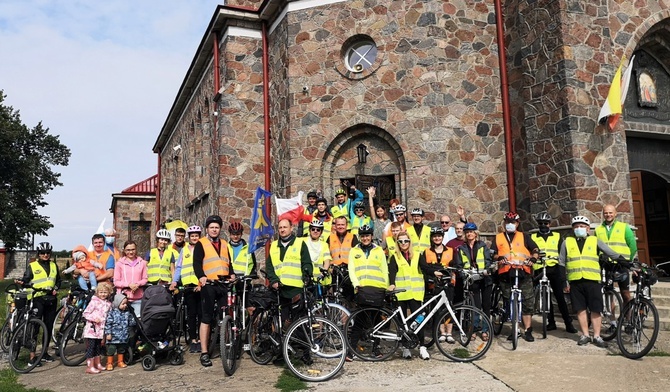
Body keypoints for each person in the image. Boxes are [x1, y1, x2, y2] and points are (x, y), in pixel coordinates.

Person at [559, 215, 627, 348]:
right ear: (573, 229)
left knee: (596, 309)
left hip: (593, 280)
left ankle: (597, 336)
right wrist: (563, 282)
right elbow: (561, 262)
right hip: (575, 280)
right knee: (580, 309)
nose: (579, 228)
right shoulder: (567, 242)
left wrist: (626, 262)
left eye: (582, 226)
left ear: (588, 229)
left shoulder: (595, 240)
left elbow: (610, 253)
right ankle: (585, 335)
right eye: (576, 226)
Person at [265, 218, 313, 364]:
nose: (282, 230)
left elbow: (306, 263)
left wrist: (307, 276)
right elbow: (270, 267)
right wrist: (273, 281)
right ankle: (282, 354)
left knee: (300, 322)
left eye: (285, 227)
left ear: (291, 228)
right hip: (280, 290)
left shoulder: (300, 243)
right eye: (280, 227)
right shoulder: (273, 246)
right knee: (282, 324)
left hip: (296, 289)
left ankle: (305, 353)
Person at [490, 211, 539, 342]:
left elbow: (535, 250)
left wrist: (533, 259)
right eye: (507, 222)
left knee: (528, 301)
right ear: (504, 223)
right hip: (506, 273)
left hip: (523, 271)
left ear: (517, 223)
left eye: (513, 222)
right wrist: (498, 258)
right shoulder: (498, 237)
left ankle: (528, 329)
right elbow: (492, 253)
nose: (510, 224)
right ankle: (515, 329)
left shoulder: (524, 236)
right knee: (510, 301)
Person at [193, 215, 233, 366]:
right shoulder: (201, 243)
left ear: (220, 229)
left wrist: (232, 274)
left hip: (223, 285)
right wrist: (201, 276)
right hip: (208, 285)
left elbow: (228, 263)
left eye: (217, 227)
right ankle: (204, 352)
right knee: (206, 317)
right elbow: (197, 264)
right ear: (207, 229)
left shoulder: (224, 244)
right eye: (212, 227)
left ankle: (226, 346)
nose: (214, 229)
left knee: (225, 315)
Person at [347, 224, 389, 361]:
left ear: (372, 236)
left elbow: (384, 269)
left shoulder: (378, 251)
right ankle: (351, 350)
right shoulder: (354, 251)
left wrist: (386, 287)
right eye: (363, 236)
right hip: (362, 289)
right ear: (360, 237)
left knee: (376, 322)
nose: (365, 238)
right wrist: (356, 285)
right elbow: (351, 269)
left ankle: (376, 349)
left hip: (377, 289)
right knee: (359, 321)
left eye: (367, 235)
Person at [531, 212, 577, 333]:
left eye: (545, 223)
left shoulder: (557, 236)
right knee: (544, 296)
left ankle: (568, 323)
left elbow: (562, 252)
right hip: (540, 269)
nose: (543, 225)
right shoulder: (533, 237)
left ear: (549, 224)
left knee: (559, 297)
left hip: (554, 268)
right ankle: (550, 322)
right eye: (540, 223)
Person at [17, 242, 61, 365]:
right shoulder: (33, 266)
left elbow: (58, 281)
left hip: (51, 300)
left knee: (48, 326)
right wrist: (23, 282)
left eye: (48, 253)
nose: (45, 255)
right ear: (38, 254)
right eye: (42, 253)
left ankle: (44, 353)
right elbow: (26, 279)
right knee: (35, 327)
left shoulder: (54, 265)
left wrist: (56, 289)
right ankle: (32, 356)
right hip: (37, 299)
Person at [388, 231, 428, 360]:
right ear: (397, 243)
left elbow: (425, 268)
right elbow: (392, 271)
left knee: (419, 320)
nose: (403, 243)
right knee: (402, 322)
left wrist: (436, 272)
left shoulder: (417, 255)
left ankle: (422, 346)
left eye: (406, 241)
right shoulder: (395, 256)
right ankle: (405, 347)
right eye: (400, 241)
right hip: (401, 293)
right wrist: (392, 284)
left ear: (410, 242)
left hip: (415, 293)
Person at [453, 223, 493, 340]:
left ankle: (485, 330)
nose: (469, 234)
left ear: (476, 233)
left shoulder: (482, 245)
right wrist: (462, 273)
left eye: (471, 232)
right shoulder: (461, 248)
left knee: (486, 305)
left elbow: (487, 260)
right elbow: (458, 265)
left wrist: (487, 269)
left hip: (484, 278)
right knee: (475, 306)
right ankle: (474, 329)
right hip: (472, 279)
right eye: (467, 232)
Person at [419, 227, 456, 343]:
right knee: (437, 308)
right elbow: (424, 267)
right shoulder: (427, 251)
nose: (437, 238)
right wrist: (434, 272)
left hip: (448, 282)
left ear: (442, 237)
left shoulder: (450, 250)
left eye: (439, 236)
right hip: (433, 284)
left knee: (449, 307)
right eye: (435, 236)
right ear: (431, 238)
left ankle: (448, 332)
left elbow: (455, 264)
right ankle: (440, 332)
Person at [595, 204, 637, 306]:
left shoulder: (624, 227)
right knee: (609, 293)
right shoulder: (598, 229)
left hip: (621, 265)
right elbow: (596, 248)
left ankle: (627, 318)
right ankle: (612, 320)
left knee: (625, 293)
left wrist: (628, 260)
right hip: (606, 265)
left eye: (610, 212)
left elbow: (633, 246)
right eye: (606, 213)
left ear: (615, 214)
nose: (608, 215)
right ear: (603, 214)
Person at [170, 225, 203, 353]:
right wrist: (174, 281)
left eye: (197, 236)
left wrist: (200, 284)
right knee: (191, 314)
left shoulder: (202, 249)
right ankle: (193, 339)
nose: (194, 238)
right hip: (188, 286)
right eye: (192, 236)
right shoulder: (184, 250)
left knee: (201, 314)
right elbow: (179, 267)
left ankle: (201, 339)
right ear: (189, 237)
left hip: (199, 285)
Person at [82, 282, 113, 374]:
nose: (103, 294)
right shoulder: (94, 302)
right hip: (92, 330)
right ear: (97, 292)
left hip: (101, 330)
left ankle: (97, 363)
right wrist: (94, 319)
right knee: (91, 347)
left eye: (105, 292)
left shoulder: (108, 304)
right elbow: (86, 313)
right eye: (101, 292)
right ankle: (90, 366)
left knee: (98, 347)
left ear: (109, 293)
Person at [113, 240, 148, 317]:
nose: (131, 252)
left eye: (133, 249)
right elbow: (116, 281)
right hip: (123, 299)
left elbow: (145, 279)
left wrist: (137, 284)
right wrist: (128, 285)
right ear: (124, 251)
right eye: (128, 250)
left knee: (137, 322)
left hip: (138, 298)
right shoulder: (119, 264)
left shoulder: (142, 263)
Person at [104, 294, 136, 371]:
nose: (125, 305)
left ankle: (120, 361)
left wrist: (133, 319)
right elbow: (108, 324)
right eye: (123, 304)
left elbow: (131, 322)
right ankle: (109, 363)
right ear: (117, 303)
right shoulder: (112, 313)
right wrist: (108, 333)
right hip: (113, 337)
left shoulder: (127, 313)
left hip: (123, 336)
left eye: (126, 304)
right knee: (111, 350)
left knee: (122, 349)